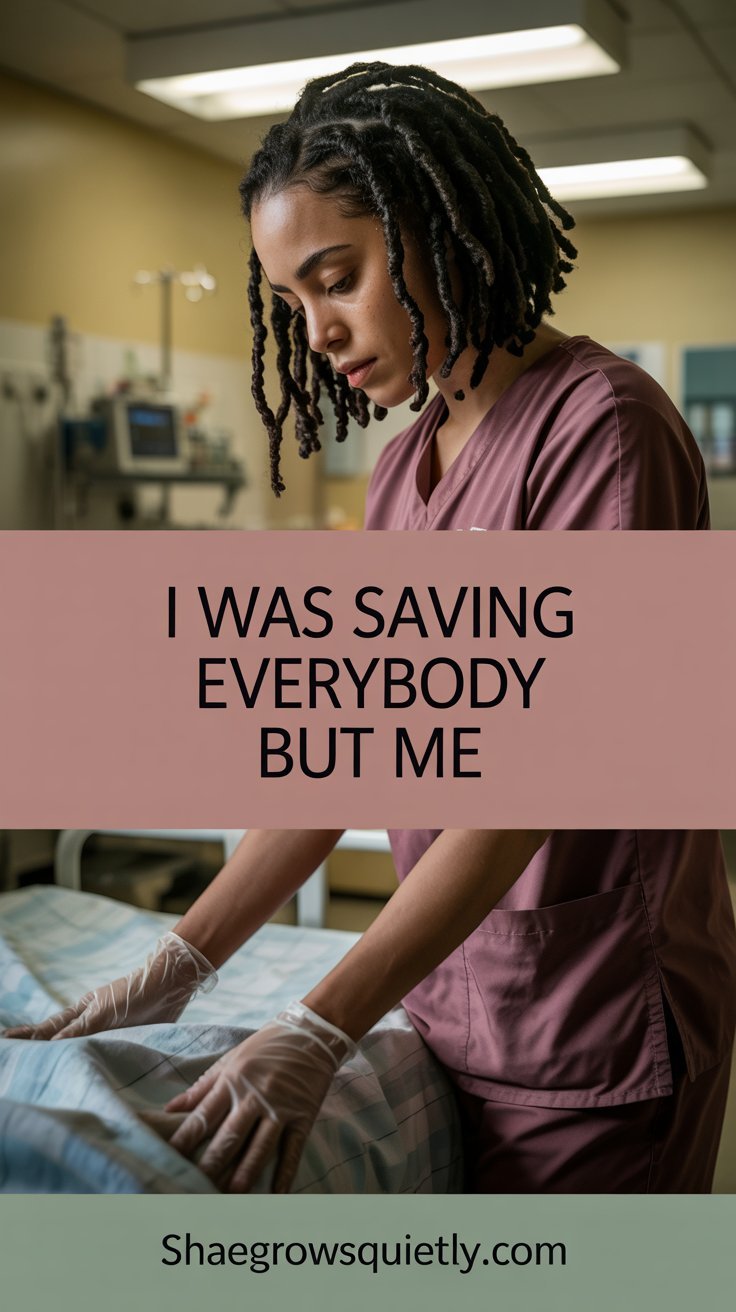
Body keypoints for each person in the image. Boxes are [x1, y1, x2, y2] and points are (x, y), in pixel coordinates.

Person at [6, 63, 736, 1194]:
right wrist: (174, 964)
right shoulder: (404, 470)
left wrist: (319, 1021)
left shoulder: (605, 432)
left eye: (336, 279)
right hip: (455, 1003)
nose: (317, 332)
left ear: (439, 231)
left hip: (586, 1024)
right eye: (292, 302)